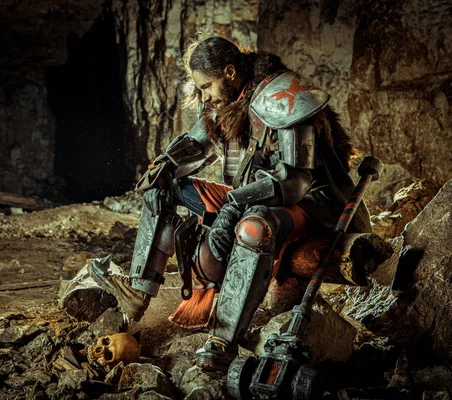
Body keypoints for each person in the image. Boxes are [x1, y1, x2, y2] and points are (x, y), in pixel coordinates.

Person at [90, 36, 371, 371]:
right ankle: (139, 291)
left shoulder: (283, 97)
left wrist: (234, 204)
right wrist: (162, 166)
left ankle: (223, 341)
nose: (204, 95)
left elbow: (294, 182)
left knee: (253, 227)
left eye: (207, 86)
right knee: (162, 186)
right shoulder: (225, 103)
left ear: (229, 72)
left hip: (310, 206)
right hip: (251, 198)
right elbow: (195, 145)